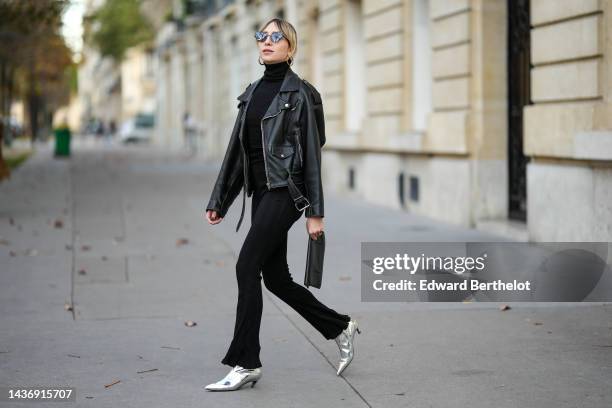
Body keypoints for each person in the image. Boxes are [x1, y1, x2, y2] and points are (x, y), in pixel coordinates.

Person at [203, 18, 361, 392]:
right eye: (263, 36)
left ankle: (246, 362)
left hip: (287, 193)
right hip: (261, 193)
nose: (268, 42)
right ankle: (339, 326)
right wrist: (220, 200)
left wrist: (315, 214)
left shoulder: (301, 94)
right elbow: (237, 154)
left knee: (246, 266)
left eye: (277, 37)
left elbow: (311, 153)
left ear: (291, 47)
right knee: (275, 279)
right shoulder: (252, 92)